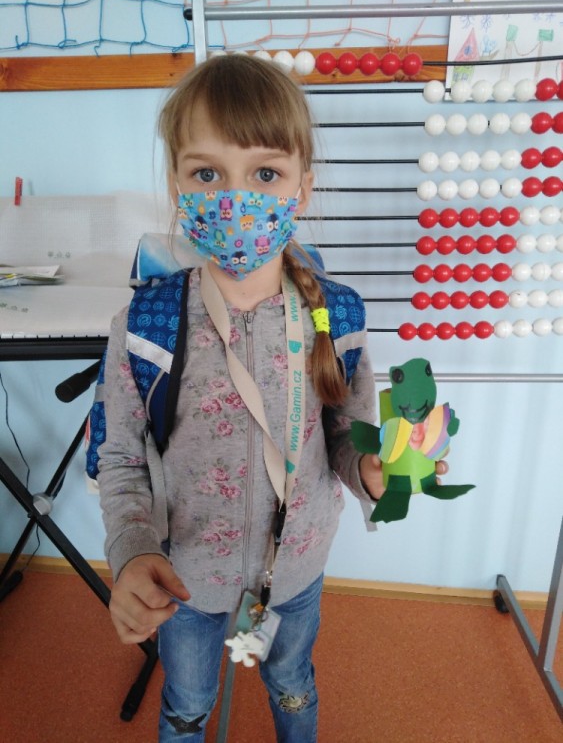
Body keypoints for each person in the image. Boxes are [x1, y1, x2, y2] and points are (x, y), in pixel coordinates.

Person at [97, 54, 443, 742]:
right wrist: (131, 552)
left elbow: (347, 437)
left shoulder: (336, 317)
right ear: (176, 185)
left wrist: (371, 471)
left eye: (264, 175)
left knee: (292, 686)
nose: (235, 199)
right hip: (185, 579)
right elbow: (120, 459)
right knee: (187, 703)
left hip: (297, 571)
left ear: (301, 188)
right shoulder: (145, 324)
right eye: (206, 174)